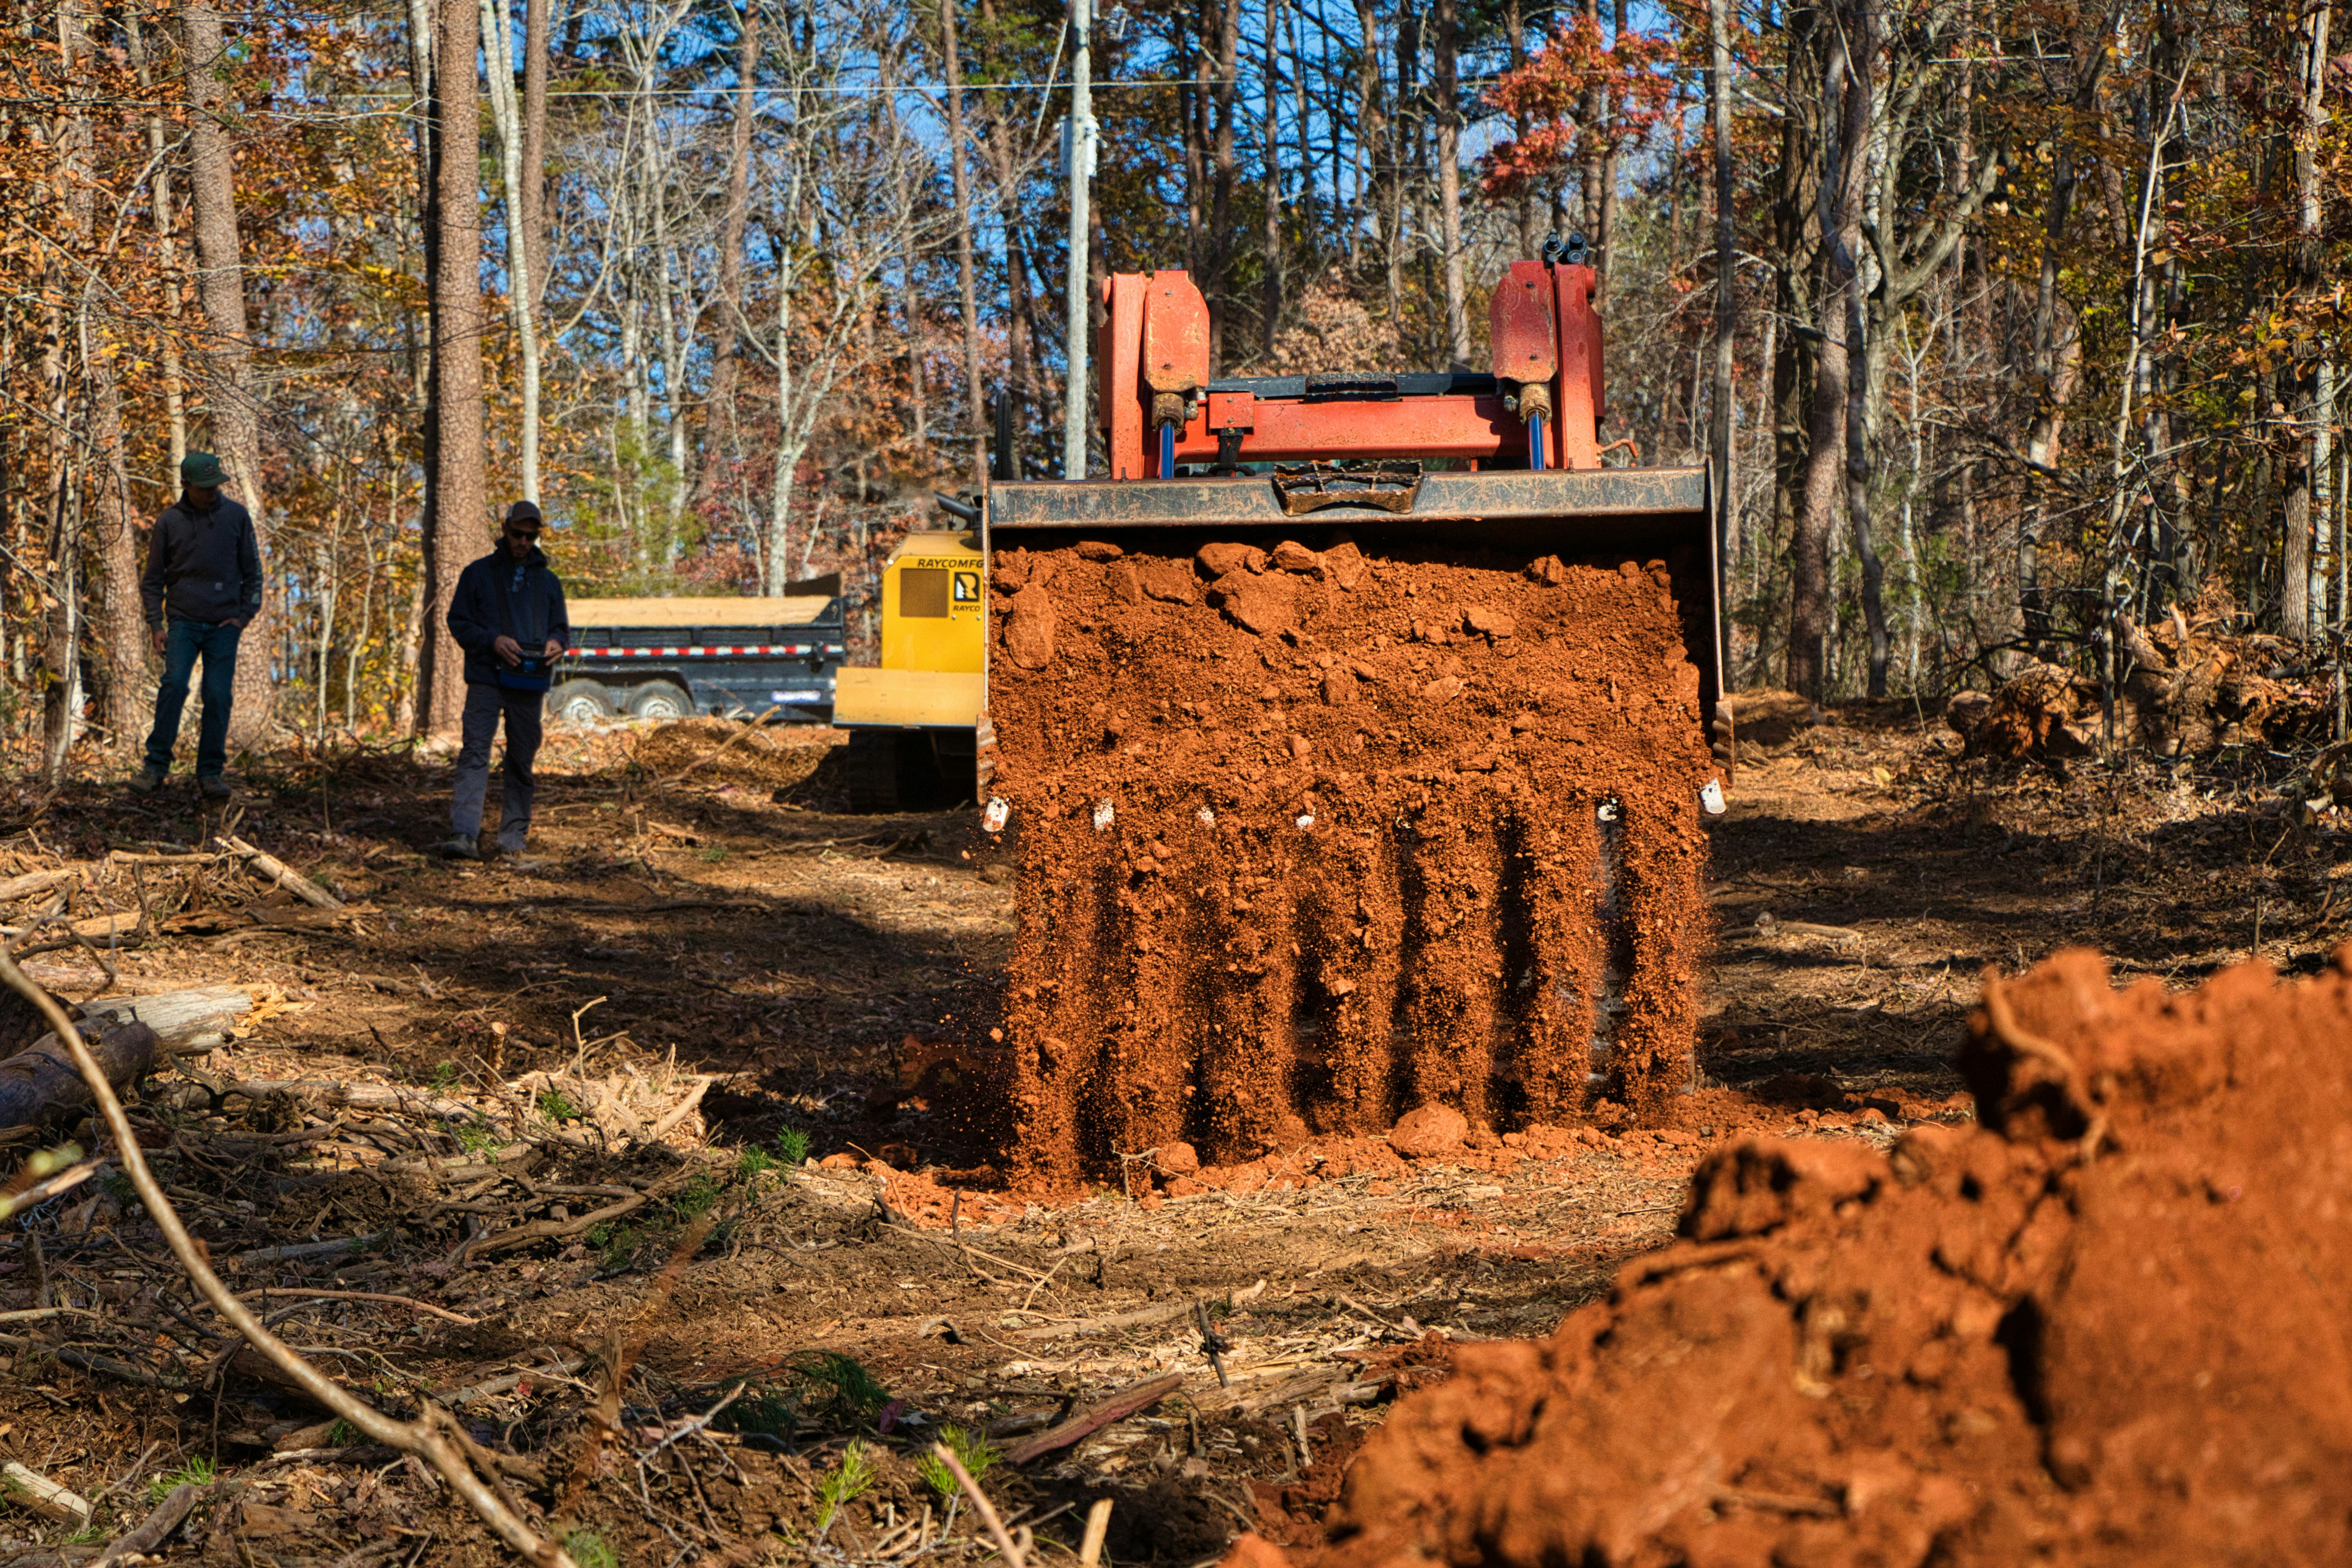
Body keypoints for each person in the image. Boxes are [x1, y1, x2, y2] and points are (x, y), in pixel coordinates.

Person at [132, 451, 262, 799]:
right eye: (203, 488)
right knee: (174, 685)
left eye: (215, 486)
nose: (211, 493)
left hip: (224, 625)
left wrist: (243, 618)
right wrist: (156, 624)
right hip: (183, 623)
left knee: (218, 696)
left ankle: (210, 774)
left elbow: (254, 575)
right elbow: (152, 581)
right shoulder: (169, 522)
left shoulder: (237, 516)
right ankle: (155, 767)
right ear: (186, 485)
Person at [444, 502, 569, 860]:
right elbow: (458, 622)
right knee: (474, 753)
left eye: (531, 536)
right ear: (505, 529)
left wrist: (557, 644)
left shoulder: (548, 582)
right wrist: (493, 641)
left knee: (521, 758)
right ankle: (464, 834)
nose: (523, 542)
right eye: (517, 534)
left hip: (529, 683)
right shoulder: (477, 574)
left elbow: (560, 629)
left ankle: (513, 837)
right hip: (485, 678)